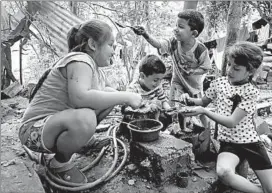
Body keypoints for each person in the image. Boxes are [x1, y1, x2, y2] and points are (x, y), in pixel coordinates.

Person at [18, 20, 142, 184]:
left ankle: (82, 142)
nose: (114, 50)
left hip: (51, 128)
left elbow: (99, 97)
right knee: (86, 118)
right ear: (92, 44)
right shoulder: (80, 60)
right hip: (33, 131)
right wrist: (126, 97)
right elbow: (80, 98)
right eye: (111, 45)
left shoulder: (93, 68)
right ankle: (59, 163)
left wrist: (121, 96)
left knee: (109, 94)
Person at [179, 42, 272, 193]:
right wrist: (188, 100)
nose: (229, 70)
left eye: (236, 68)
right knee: (224, 172)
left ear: (250, 71)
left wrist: (205, 112)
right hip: (229, 143)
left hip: (251, 143)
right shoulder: (219, 83)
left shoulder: (251, 92)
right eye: (229, 65)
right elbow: (203, 102)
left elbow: (232, 122)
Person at [132, 9, 212, 133]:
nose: (175, 29)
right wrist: (145, 34)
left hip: (194, 86)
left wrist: (192, 71)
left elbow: (206, 67)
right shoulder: (173, 43)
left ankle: (207, 131)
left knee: (198, 109)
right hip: (177, 82)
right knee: (178, 108)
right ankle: (182, 129)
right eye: (176, 25)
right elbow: (158, 44)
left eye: (180, 26)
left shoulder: (201, 50)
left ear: (194, 33)